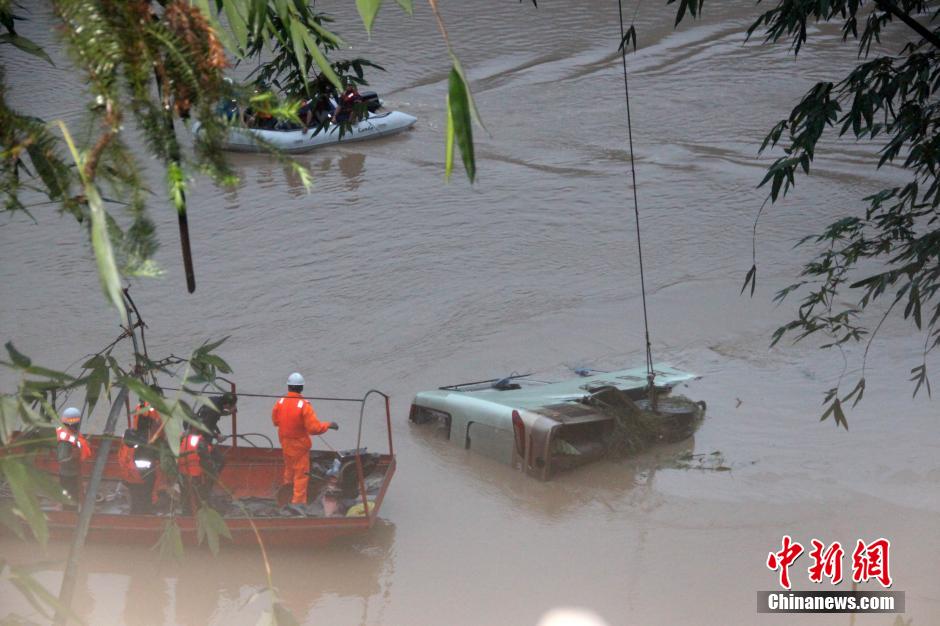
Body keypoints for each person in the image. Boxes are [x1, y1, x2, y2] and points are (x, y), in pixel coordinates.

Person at [271, 372, 338, 505]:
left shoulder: (280, 402)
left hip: (285, 444)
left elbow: (276, 421)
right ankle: (297, 506)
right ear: (301, 388)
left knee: (289, 472)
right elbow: (314, 428)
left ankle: (286, 497)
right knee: (301, 476)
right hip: (300, 447)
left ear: (288, 387)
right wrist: (328, 425)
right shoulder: (304, 405)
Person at [118, 395, 166, 514]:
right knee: (146, 487)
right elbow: (158, 430)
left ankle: (140, 510)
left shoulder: (140, 408)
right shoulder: (153, 412)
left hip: (132, 469)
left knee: (139, 492)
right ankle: (145, 510)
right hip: (140, 468)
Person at [178, 419, 222, 515]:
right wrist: (213, 473)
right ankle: (203, 513)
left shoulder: (180, 438)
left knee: (186, 498)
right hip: (197, 475)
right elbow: (205, 459)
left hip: (182, 475)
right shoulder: (198, 440)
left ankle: (186, 514)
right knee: (201, 498)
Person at [56, 407, 92, 509]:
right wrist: (72, 457)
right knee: (71, 499)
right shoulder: (64, 440)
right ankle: (69, 515)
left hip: (74, 472)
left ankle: (72, 510)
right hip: (68, 475)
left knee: (75, 496)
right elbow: (61, 459)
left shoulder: (71, 433)